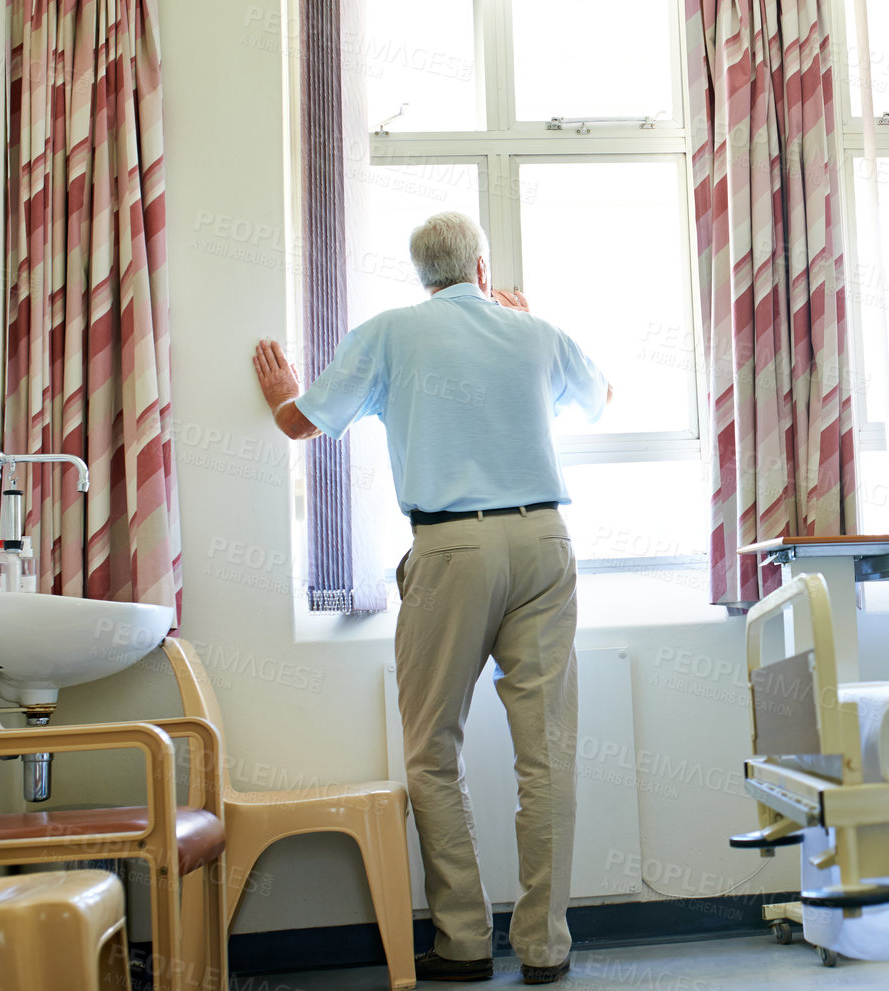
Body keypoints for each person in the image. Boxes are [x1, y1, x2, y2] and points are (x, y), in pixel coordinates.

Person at [250, 211, 608, 984]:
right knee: (547, 754)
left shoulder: (389, 333)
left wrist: (282, 392)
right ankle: (546, 947)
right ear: (482, 269)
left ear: (423, 275)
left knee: (430, 750)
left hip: (452, 547)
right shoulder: (533, 328)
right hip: (546, 540)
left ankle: (464, 939)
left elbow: (300, 424)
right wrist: (524, 323)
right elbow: (600, 396)